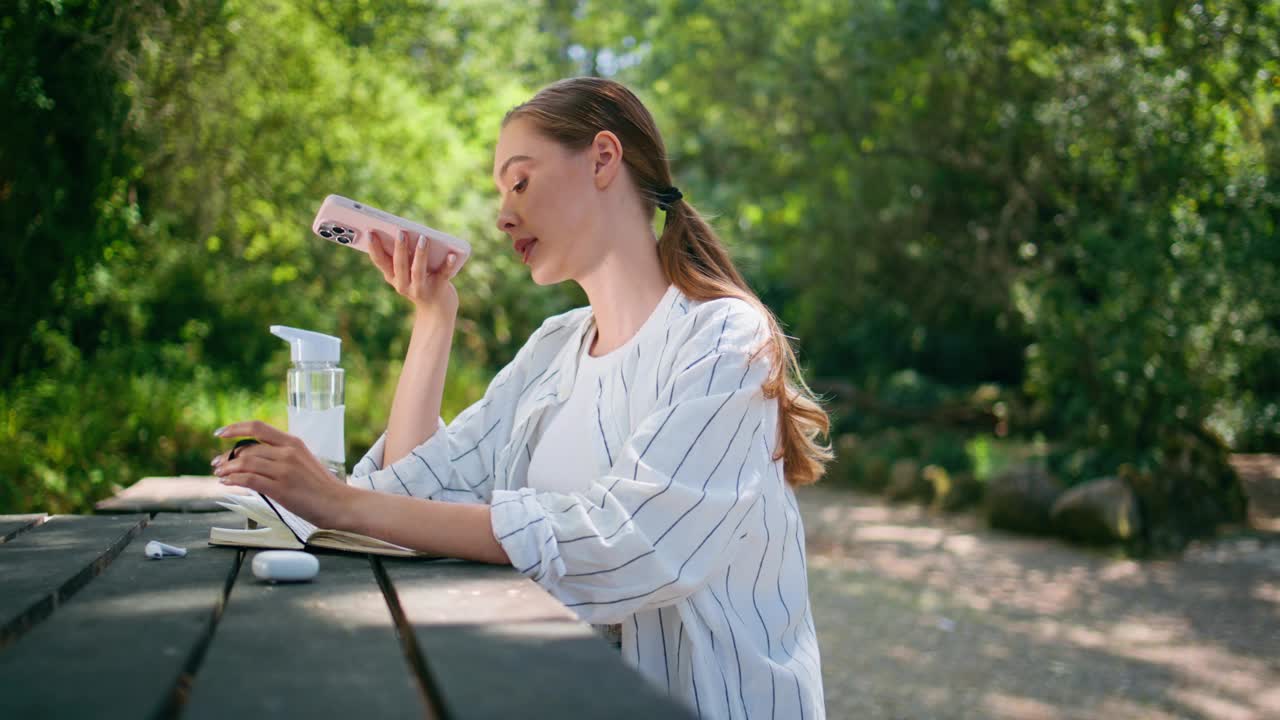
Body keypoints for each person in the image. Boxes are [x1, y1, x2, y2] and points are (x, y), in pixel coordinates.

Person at [211, 77, 831, 719]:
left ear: (602, 159)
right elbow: (413, 495)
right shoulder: (555, 347)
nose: (503, 215)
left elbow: (628, 546)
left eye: (520, 181)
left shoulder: (722, 335)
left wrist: (337, 501)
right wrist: (432, 320)